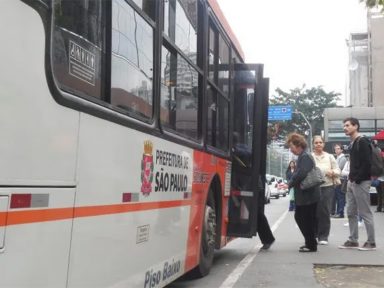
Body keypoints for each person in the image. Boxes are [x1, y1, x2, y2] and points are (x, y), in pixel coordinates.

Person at [232, 133, 275, 250]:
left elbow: (245, 157)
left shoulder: (239, 150)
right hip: (251, 184)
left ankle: (268, 239)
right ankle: (267, 239)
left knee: (257, 213)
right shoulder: (241, 148)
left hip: (252, 185)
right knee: (256, 213)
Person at [339, 117, 376, 251]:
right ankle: (353, 240)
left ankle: (371, 242)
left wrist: (357, 179)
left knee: (365, 212)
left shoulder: (363, 141)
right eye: (344, 125)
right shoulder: (353, 142)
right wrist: (351, 179)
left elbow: (367, 163)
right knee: (351, 212)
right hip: (352, 181)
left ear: (356, 126)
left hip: (361, 182)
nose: (345, 128)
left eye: (348, 125)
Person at [286, 133, 320, 252]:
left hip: (308, 195)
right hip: (306, 194)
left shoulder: (305, 156)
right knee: (303, 217)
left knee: (304, 218)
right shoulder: (303, 155)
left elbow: (301, 174)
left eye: (291, 147)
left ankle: (311, 244)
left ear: (298, 145)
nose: (290, 150)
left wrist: (289, 183)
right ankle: (310, 242)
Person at [312, 135, 341, 245]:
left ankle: (323, 236)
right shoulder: (310, 157)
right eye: (316, 142)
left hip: (327, 187)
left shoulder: (329, 157)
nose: (318, 144)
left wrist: (332, 172)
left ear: (323, 144)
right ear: (313, 144)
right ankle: (313, 234)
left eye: (320, 142)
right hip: (313, 187)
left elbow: (338, 170)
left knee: (324, 211)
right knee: (313, 211)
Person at [331, 143, 347, 218]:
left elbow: (338, 169)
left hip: (341, 179)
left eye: (338, 149)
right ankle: (337, 212)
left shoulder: (343, 158)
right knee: (337, 196)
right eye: (335, 149)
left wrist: (332, 171)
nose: (336, 150)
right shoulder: (337, 157)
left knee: (340, 197)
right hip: (337, 179)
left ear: (341, 149)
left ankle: (340, 213)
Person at [372, 139, 384, 212]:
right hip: (380, 176)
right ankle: (380, 207)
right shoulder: (379, 153)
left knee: (380, 193)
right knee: (380, 193)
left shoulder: (378, 153)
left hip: (380, 176)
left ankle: (380, 207)